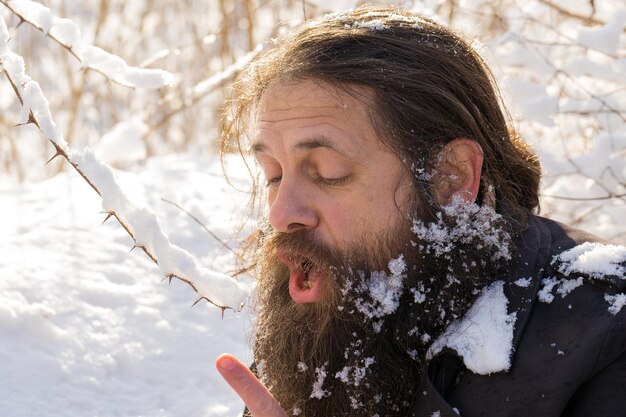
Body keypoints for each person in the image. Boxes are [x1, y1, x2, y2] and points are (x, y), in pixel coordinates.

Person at [214, 6, 626, 417]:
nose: (280, 213)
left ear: (450, 177)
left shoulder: (608, 331)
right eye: (273, 175)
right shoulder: (334, 307)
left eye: (327, 172)